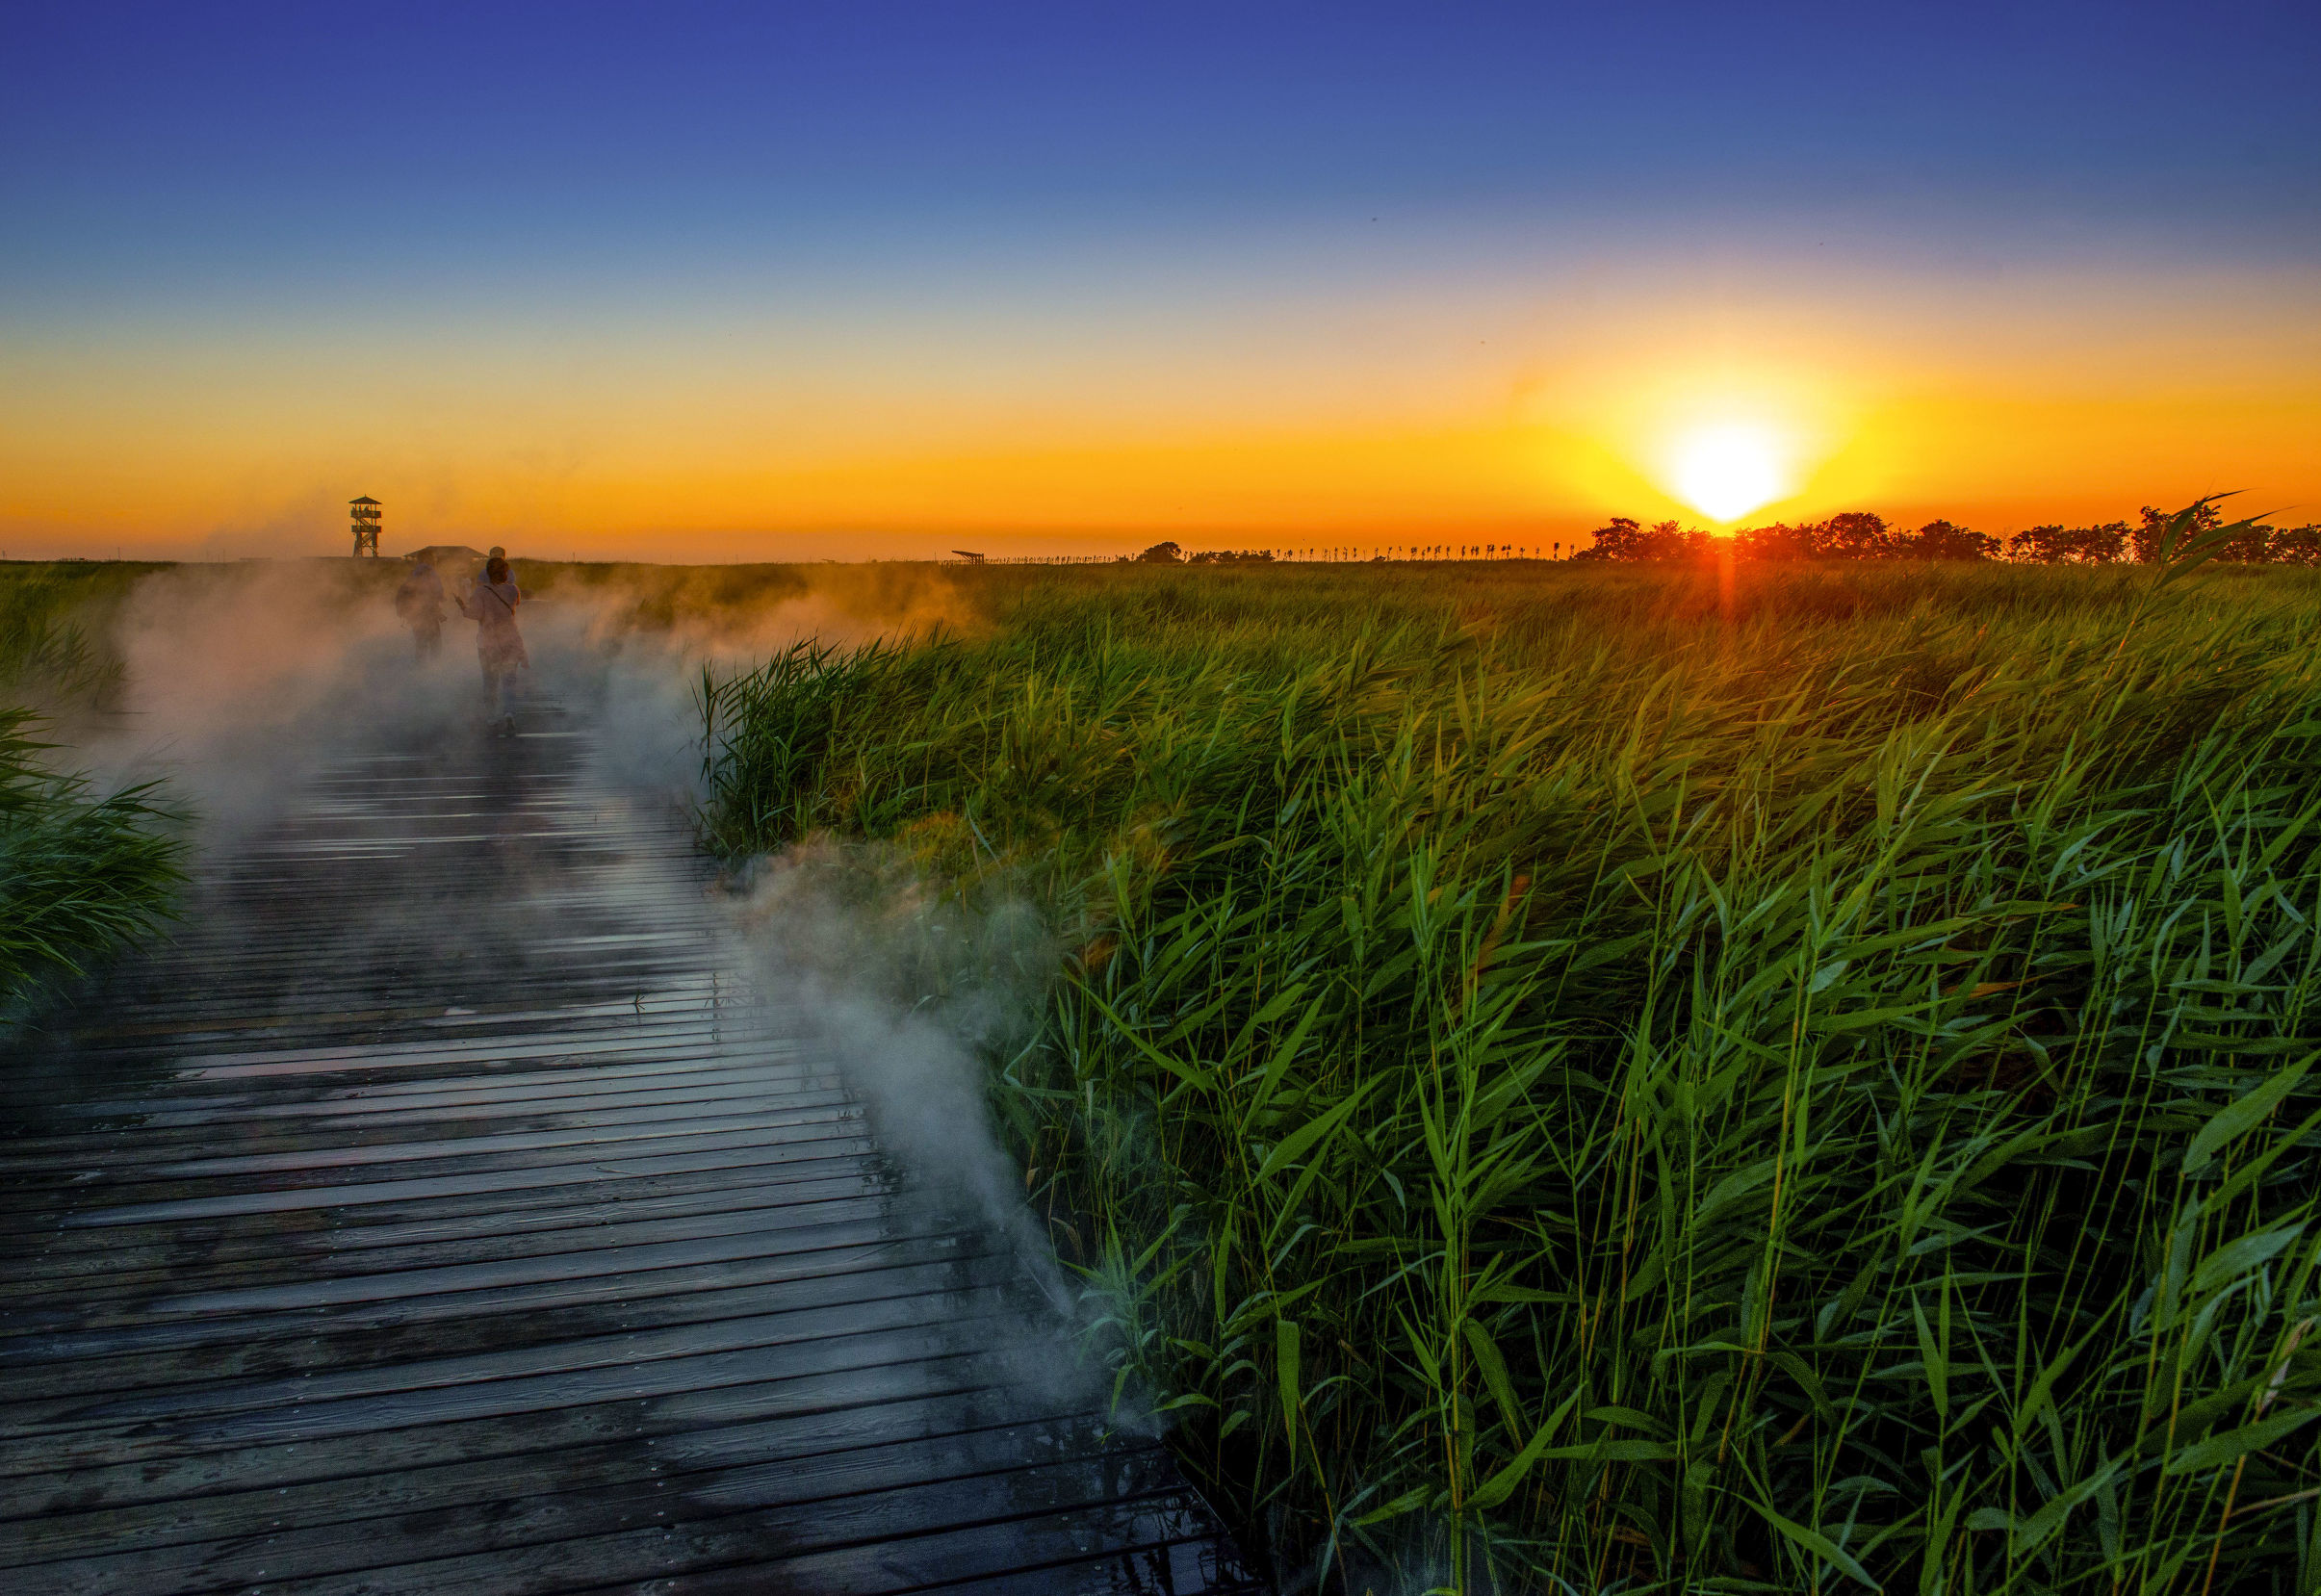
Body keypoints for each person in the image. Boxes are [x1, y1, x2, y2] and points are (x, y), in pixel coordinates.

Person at [459, 550, 528, 734]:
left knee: (490, 681)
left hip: (488, 643)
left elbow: (475, 614)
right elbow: (516, 604)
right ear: (506, 572)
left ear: (487, 573)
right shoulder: (513, 590)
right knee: (509, 681)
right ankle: (509, 712)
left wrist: (463, 607)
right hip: (510, 640)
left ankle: (491, 717)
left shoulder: (481, 591)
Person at [393, 550, 447, 659]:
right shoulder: (430, 571)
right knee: (435, 642)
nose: (435, 560)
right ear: (427, 558)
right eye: (433, 557)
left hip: (415, 612)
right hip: (429, 612)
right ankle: (434, 668)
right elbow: (438, 592)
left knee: (420, 641)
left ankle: (420, 668)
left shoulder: (413, 573)